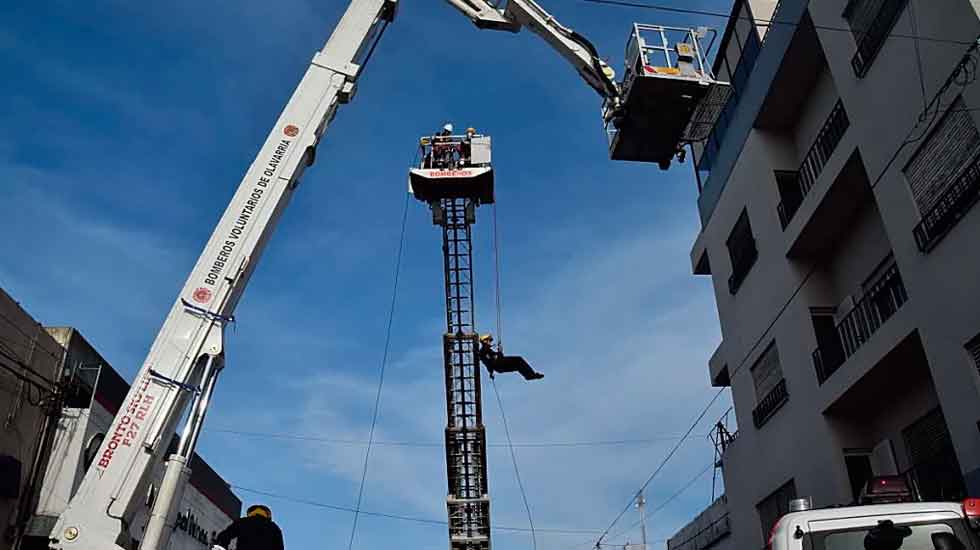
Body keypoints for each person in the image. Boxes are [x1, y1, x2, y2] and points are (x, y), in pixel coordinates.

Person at [212, 504, 284, 550]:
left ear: (250, 513)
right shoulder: (274, 528)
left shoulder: (243, 522)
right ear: (268, 515)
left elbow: (224, 536)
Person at [478, 335, 544, 381]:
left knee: (518, 365)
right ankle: (530, 375)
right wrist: (500, 352)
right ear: (485, 341)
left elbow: (488, 362)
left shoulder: (486, 350)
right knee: (518, 360)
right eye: (489, 340)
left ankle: (530, 376)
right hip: (499, 364)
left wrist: (491, 372)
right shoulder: (484, 350)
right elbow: (489, 362)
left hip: (499, 366)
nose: (490, 342)